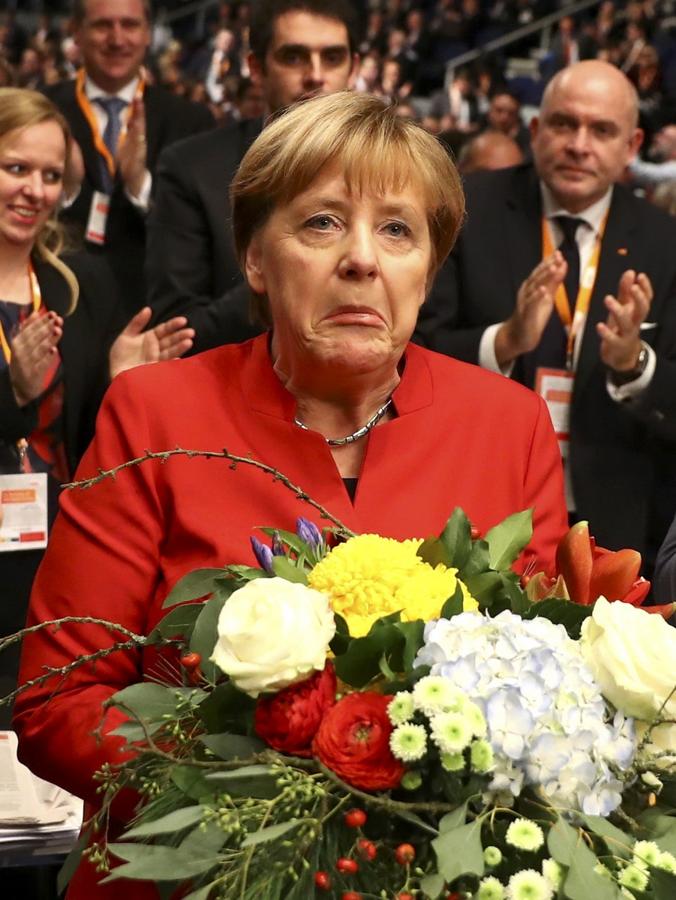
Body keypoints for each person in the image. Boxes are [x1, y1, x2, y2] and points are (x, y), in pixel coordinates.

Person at [15, 92, 568, 897]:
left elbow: (548, 700)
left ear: (427, 268)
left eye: (397, 230)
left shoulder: (508, 426)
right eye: (320, 223)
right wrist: (272, 802)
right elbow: (57, 701)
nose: (362, 260)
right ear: (254, 259)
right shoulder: (155, 412)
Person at [416, 60, 676, 567]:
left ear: (633, 146)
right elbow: (410, 352)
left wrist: (633, 364)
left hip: (616, 521)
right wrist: (503, 342)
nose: (579, 145)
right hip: (471, 504)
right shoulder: (467, 211)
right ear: (535, 131)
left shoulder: (666, 243)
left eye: (602, 131)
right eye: (564, 124)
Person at [0, 88, 193, 722]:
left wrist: (119, 384)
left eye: (51, 176)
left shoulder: (77, 286)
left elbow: (86, 448)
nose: (34, 190)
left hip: (49, 556)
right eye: (16, 168)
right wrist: (13, 397)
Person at [145, 0, 360, 354]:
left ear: (353, 68)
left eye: (333, 58)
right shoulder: (192, 168)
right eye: (294, 57)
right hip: (230, 394)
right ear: (256, 68)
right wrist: (291, 272)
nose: (316, 75)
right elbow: (177, 332)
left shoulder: (393, 171)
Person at [44, 0, 215, 316]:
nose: (117, 39)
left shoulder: (190, 120)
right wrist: (64, 190)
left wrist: (141, 186)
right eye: (102, 25)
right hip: (58, 300)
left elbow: (198, 231)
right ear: (76, 33)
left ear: (148, 34)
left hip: (152, 306)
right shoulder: (43, 109)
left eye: (130, 25)